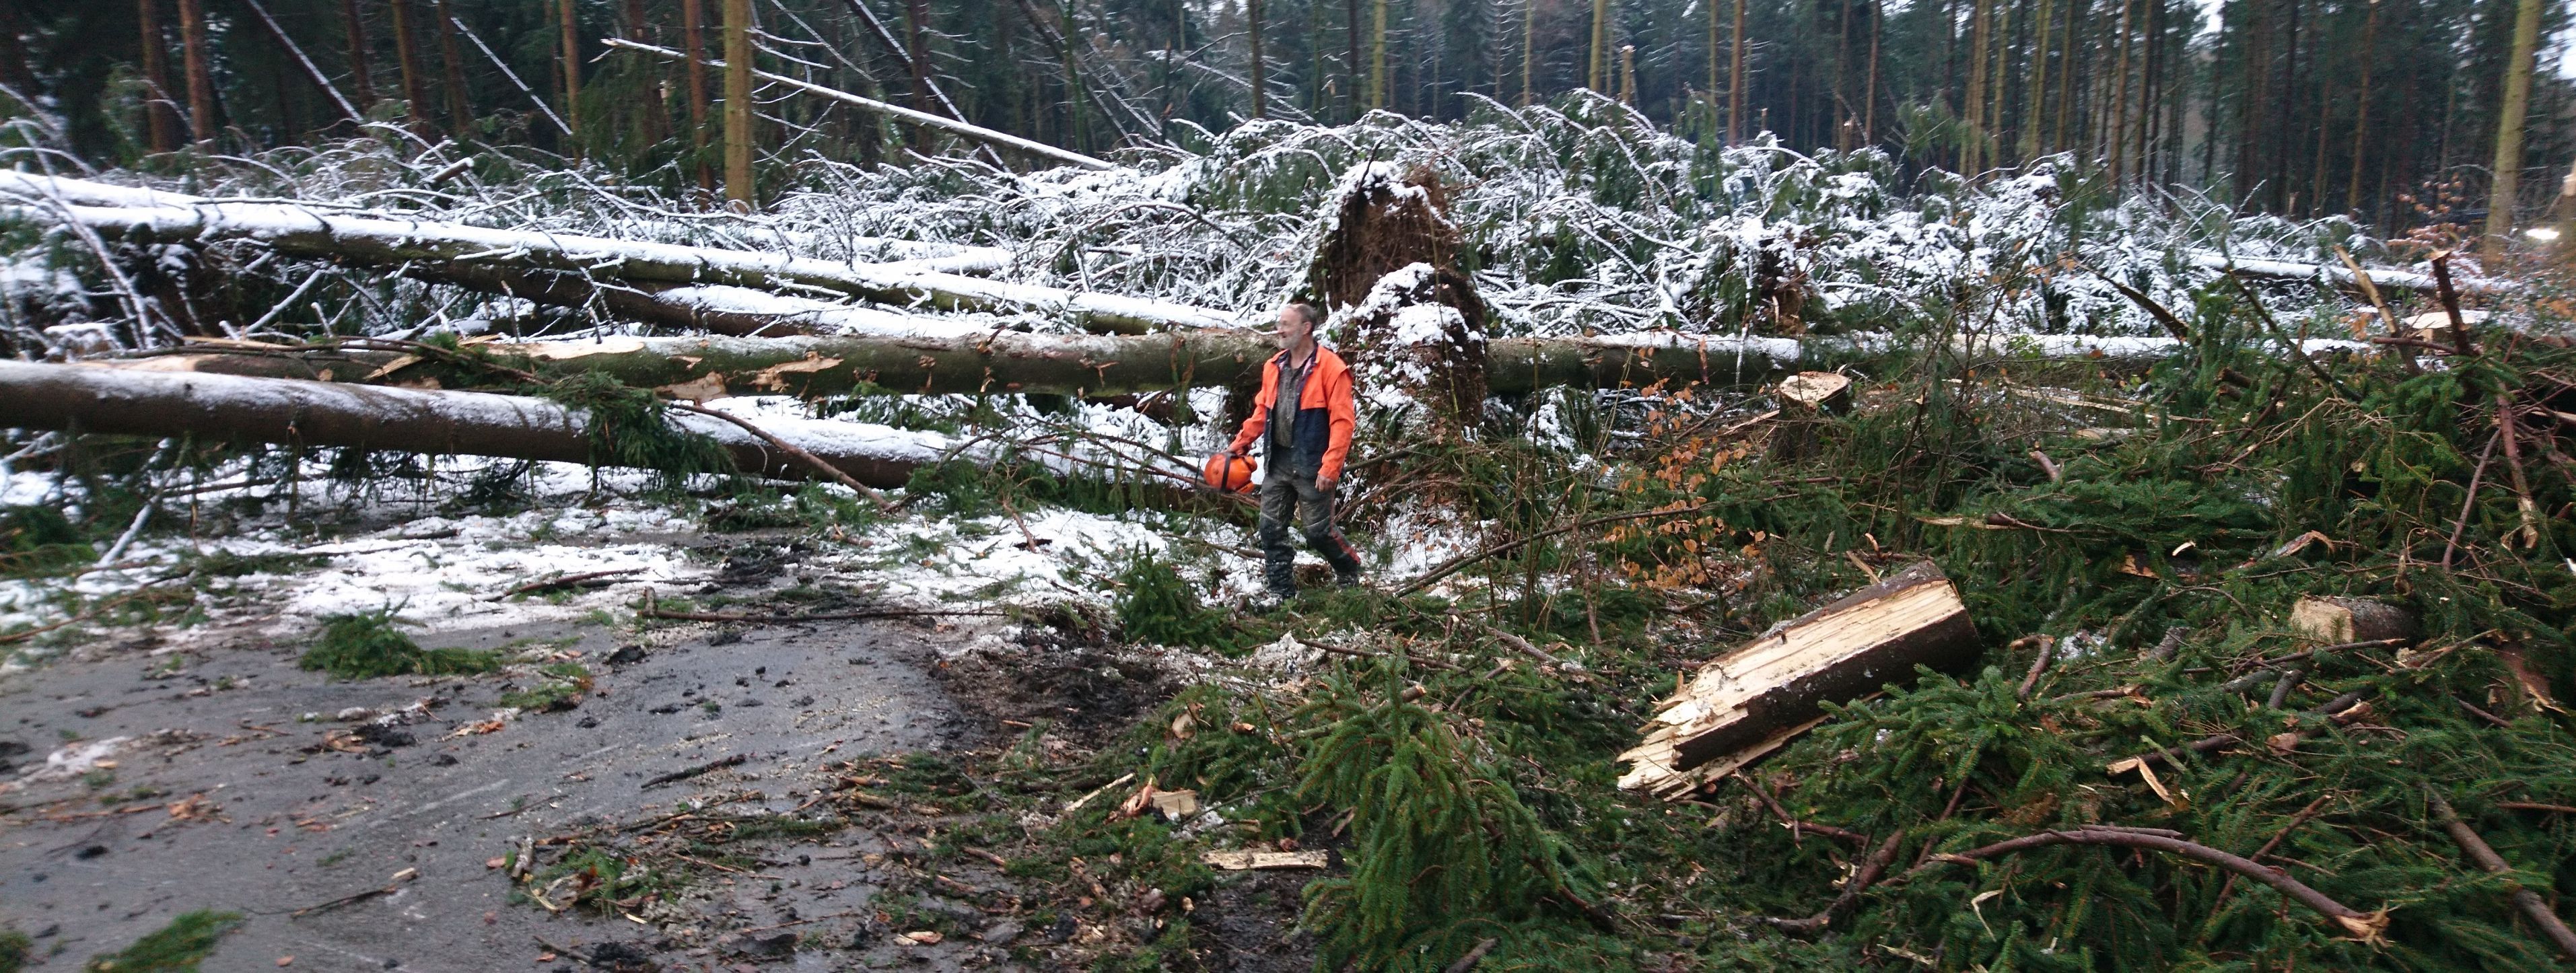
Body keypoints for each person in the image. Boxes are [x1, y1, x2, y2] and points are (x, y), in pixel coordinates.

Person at [1225, 301, 1364, 603]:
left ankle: (1349, 567)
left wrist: (1331, 467)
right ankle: (1281, 593)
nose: (1280, 329)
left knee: (1317, 532)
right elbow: (1262, 411)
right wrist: (1240, 444)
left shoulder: (1332, 368)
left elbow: (1343, 422)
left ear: (1306, 328)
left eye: (1286, 324)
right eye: (1279, 323)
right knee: (1270, 528)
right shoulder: (1274, 366)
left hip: (1313, 463)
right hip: (1279, 461)